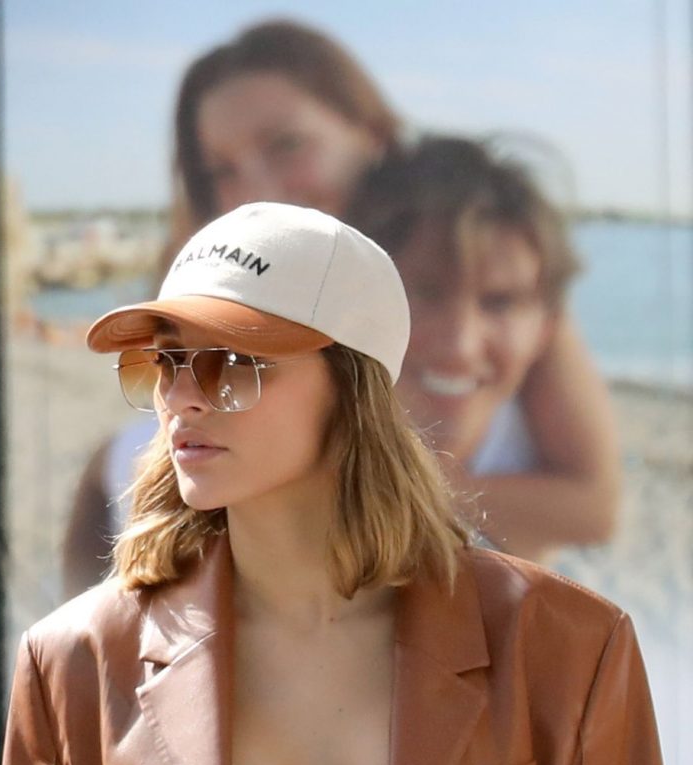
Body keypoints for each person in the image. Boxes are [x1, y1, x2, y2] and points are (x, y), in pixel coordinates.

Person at [0, 203, 668, 765]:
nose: (183, 396)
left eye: (232, 364)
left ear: (354, 388)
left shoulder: (568, 647)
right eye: (167, 361)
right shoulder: (73, 663)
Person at [59, 21, 618, 593]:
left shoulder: (466, 254)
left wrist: (369, 483)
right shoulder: (225, 270)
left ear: (370, 134)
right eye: (221, 170)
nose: (256, 188)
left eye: (286, 145)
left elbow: (593, 500)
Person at [350, 135, 583, 556]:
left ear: (546, 330)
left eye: (500, 302)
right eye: (427, 293)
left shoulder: (537, 453)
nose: (460, 345)